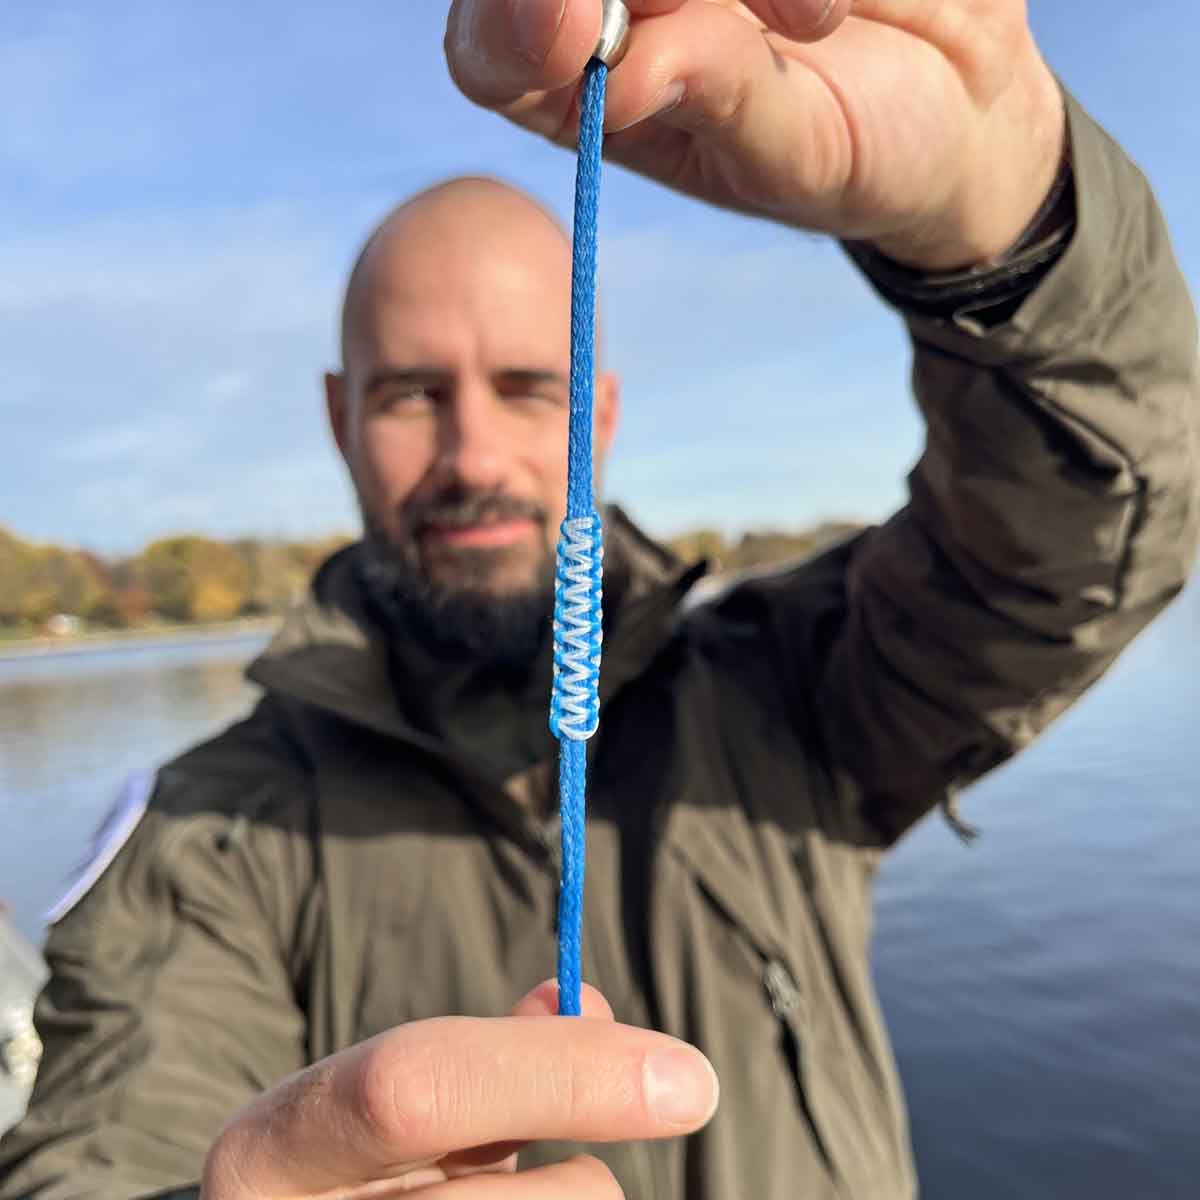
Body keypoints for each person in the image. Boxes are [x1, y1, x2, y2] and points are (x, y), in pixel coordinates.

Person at [2, 1, 1197, 1197]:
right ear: (339, 420)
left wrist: (1000, 225)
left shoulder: (793, 698)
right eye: (414, 394)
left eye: (530, 389)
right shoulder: (209, 844)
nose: (474, 454)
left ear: (601, 416)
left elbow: (1081, 544)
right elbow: (102, 1153)